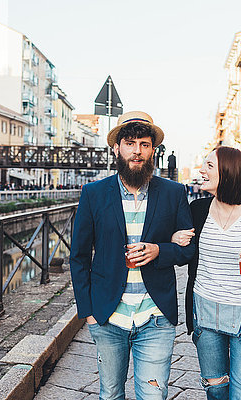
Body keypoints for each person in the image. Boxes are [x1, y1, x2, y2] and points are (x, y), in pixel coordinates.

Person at [70, 111, 195, 399]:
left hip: (155, 317)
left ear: (154, 150)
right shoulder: (94, 193)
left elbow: (189, 248)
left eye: (144, 144)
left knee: (153, 395)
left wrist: (160, 250)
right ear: (117, 148)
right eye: (129, 143)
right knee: (111, 394)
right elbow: (78, 257)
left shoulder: (174, 192)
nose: (136, 151)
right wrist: (87, 312)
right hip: (108, 316)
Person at [173, 146, 241, 399]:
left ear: (229, 172)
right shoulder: (197, 210)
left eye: (209, 166)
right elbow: (182, 252)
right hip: (205, 309)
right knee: (216, 389)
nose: (201, 170)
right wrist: (174, 237)